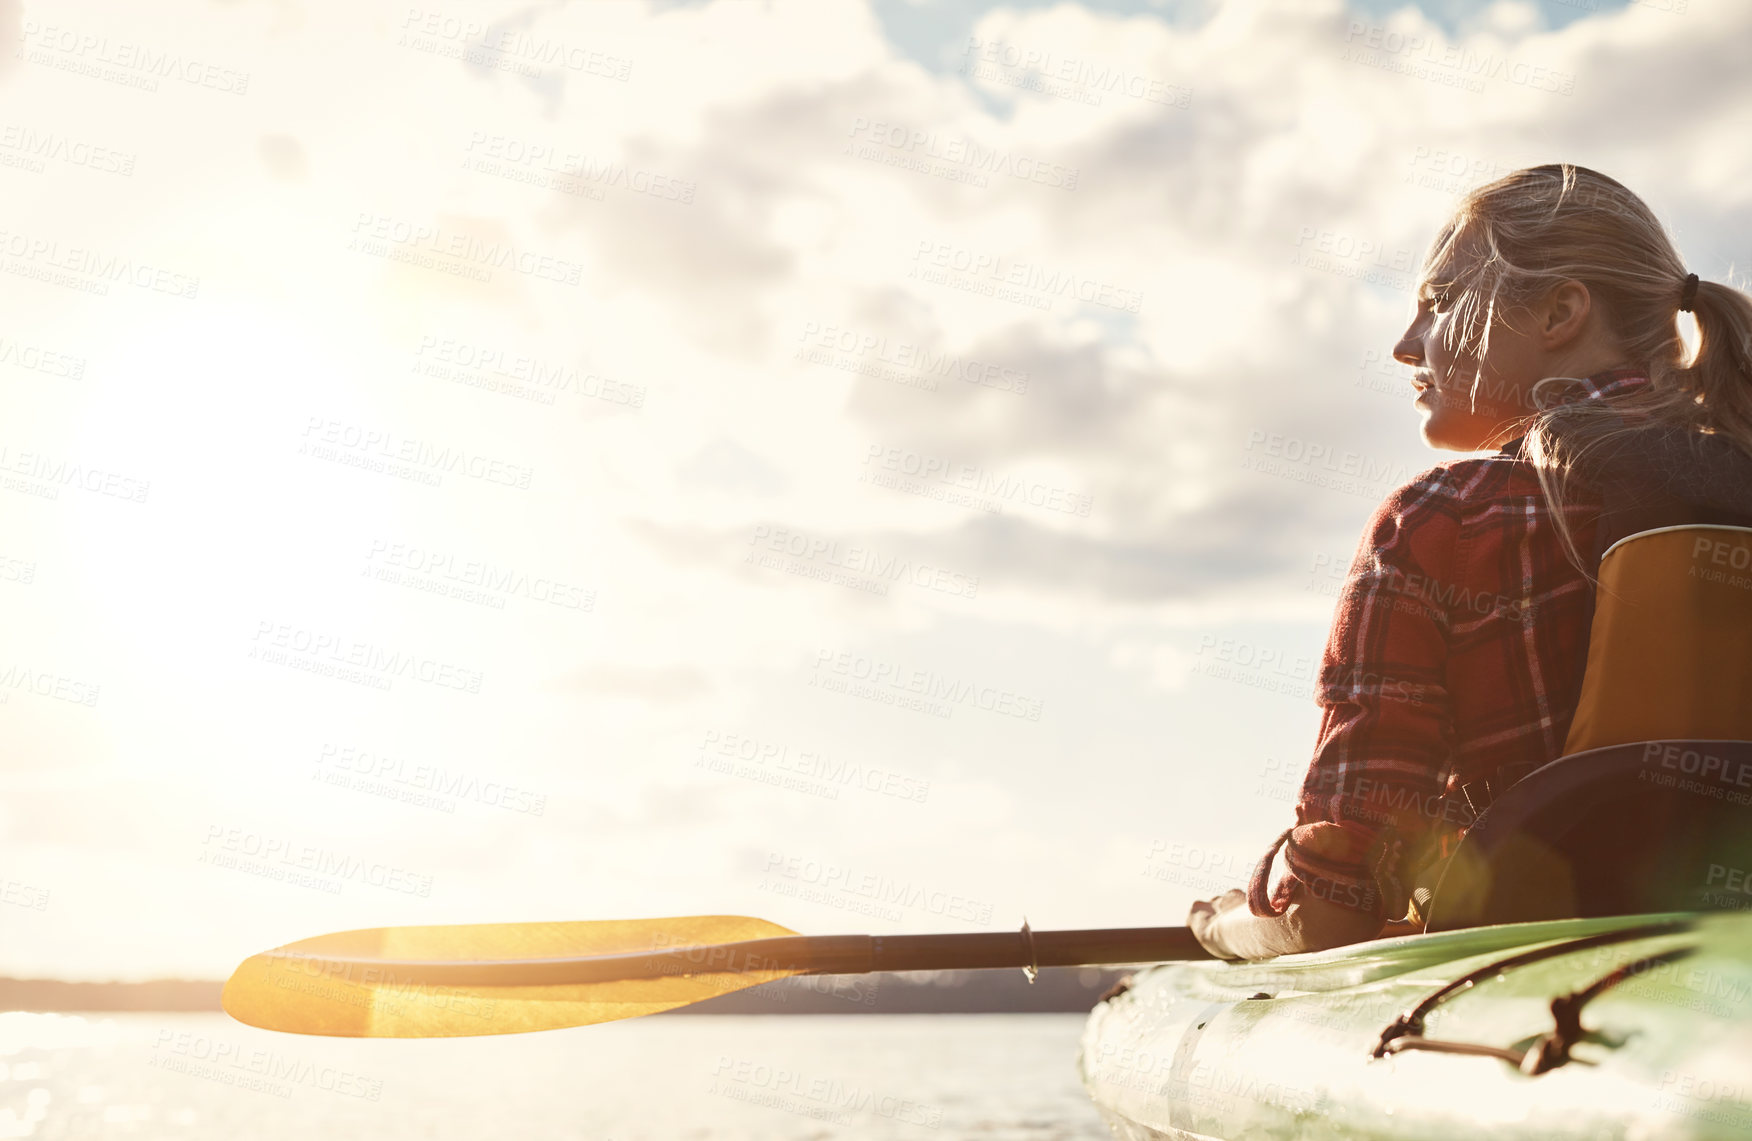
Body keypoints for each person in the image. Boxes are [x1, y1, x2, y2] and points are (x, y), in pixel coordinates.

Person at [1190, 163, 1752, 962]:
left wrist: (1223, 922)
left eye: (1437, 303)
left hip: (1538, 970)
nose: (1404, 346)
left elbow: (1333, 904)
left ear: (1560, 310)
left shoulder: (1444, 520)